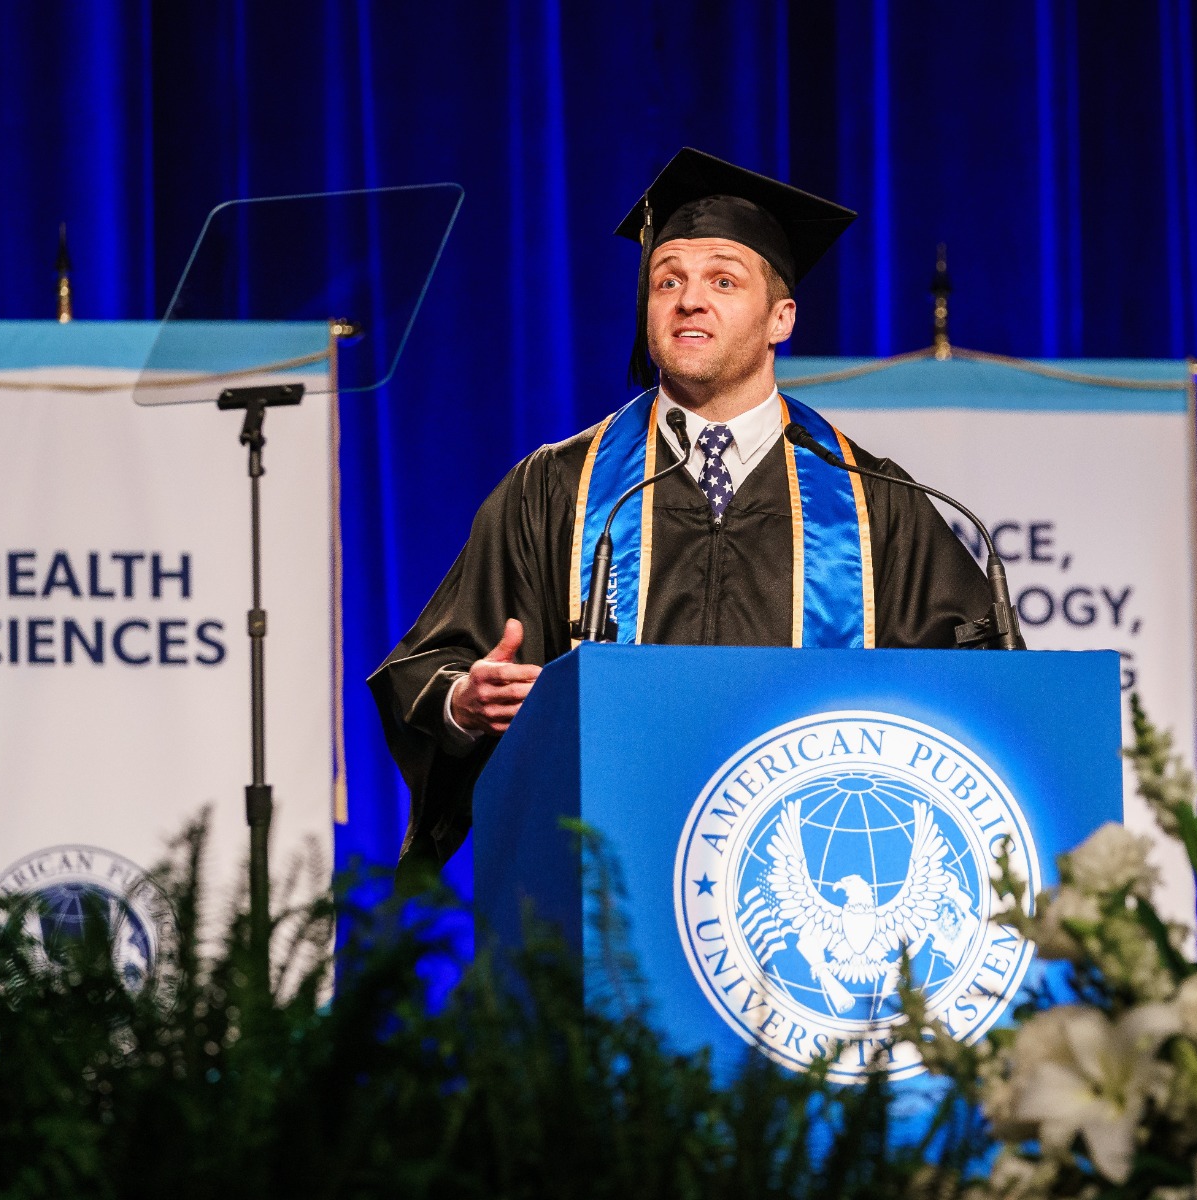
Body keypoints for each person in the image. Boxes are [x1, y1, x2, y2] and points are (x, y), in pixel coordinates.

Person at [371, 148, 992, 879]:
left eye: (723, 280)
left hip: (806, 890)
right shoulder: (557, 488)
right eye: (668, 281)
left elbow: (978, 697)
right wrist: (462, 703)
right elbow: (427, 668)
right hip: (599, 885)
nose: (688, 299)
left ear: (780, 319)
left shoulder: (873, 503)